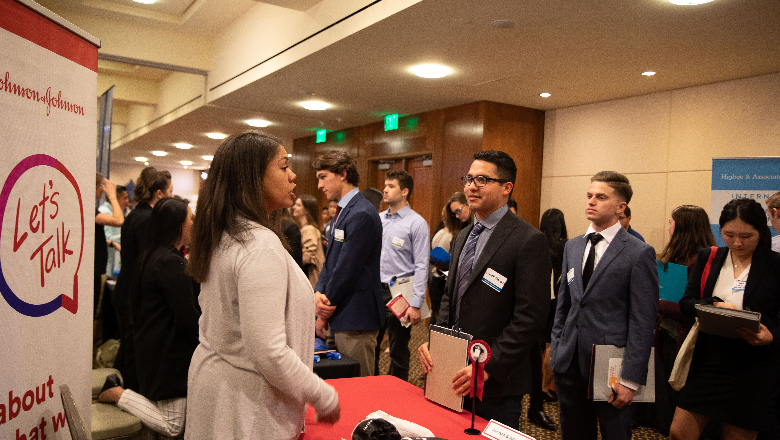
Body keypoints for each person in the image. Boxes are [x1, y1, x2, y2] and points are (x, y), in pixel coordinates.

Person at [185, 131, 340, 439]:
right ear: (252, 178)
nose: (294, 176)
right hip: (246, 403)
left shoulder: (228, 233)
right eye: (284, 167)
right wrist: (323, 395)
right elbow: (268, 351)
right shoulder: (259, 244)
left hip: (223, 388)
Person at [418, 150, 551, 428]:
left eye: (482, 179)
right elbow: (449, 298)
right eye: (468, 178)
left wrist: (487, 367)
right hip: (452, 371)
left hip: (495, 382)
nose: (471, 186)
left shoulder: (528, 240)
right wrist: (436, 345)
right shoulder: (464, 235)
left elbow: (530, 317)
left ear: (506, 188)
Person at [551, 171, 658, 440]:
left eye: (601, 197)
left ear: (621, 207)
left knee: (615, 434)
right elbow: (564, 306)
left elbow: (643, 320)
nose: (591, 202)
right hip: (569, 362)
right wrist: (557, 349)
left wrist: (631, 378)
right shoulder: (573, 246)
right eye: (589, 196)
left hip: (611, 367)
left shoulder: (638, 252)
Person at [669, 198, 780, 440]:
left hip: (753, 366)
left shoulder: (774, 265)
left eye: (746, 236)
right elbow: (686, 304)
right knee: (679, 432)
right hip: (709, 360)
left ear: (761, 232)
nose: (737, 242)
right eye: (729, 234)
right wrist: (712, 305)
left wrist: (772, 335)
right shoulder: (710, 257)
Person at [98, 197, 198, 437]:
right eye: (191, 219)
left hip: (156, 352)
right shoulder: (169, 263)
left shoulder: (156, 256)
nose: (195, 223)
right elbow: (189, 320)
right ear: (177, 224)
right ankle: (117, 392)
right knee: (173, 425)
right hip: (168, 358)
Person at [313, 151, 384, 377]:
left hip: (357, 316)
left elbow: (347, 269)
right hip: (341, 312)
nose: (319, 185)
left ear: (342, 174)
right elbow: (331, 260)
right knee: (341, 388)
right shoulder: (345, 211)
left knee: (361, 388)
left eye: (323, 177)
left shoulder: (362, 212)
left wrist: (323, 311)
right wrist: (318, 292)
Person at [112, 167, 173, 392]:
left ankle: (116, 390)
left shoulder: (136, 214)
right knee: (133, 352)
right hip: (131, 293)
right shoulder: (148, 219)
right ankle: (125, 400)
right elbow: (147, 261)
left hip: (125, 289)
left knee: (128, 348)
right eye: (170, 192)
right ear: (159, 193)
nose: (172, 197)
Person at [374, 170, 430, 380]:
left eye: (391, 186)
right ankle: (373, 388)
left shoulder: (417, 223)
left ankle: (398, 394)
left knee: (398, 348)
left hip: (401, 293)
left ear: (405, 191)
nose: (385, 190)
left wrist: (416, 304)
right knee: (373, 344)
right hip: (375, 290)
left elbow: (422, 265)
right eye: (385, 185)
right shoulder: (378, 219)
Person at [292, 194, 325, 287]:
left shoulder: (309, 229)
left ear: (306, 210)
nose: (293, 207)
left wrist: (290, 263)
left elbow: (308, 256)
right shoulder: (305, 228)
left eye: (298, 205)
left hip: (312, 279)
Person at [429, 205, 454, 324]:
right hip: (441, 280)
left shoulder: (440, 232)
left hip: (437, 278)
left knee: (437, 315)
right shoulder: (449, 234)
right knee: (439, 318)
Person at [99, 185, 130, 277]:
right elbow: (107, 238)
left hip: (108, 264)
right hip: (104, 266)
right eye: (125, 198)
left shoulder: (109, 211)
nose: (127, 201)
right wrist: (128, 235)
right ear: (117, 199)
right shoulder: (106, 212)